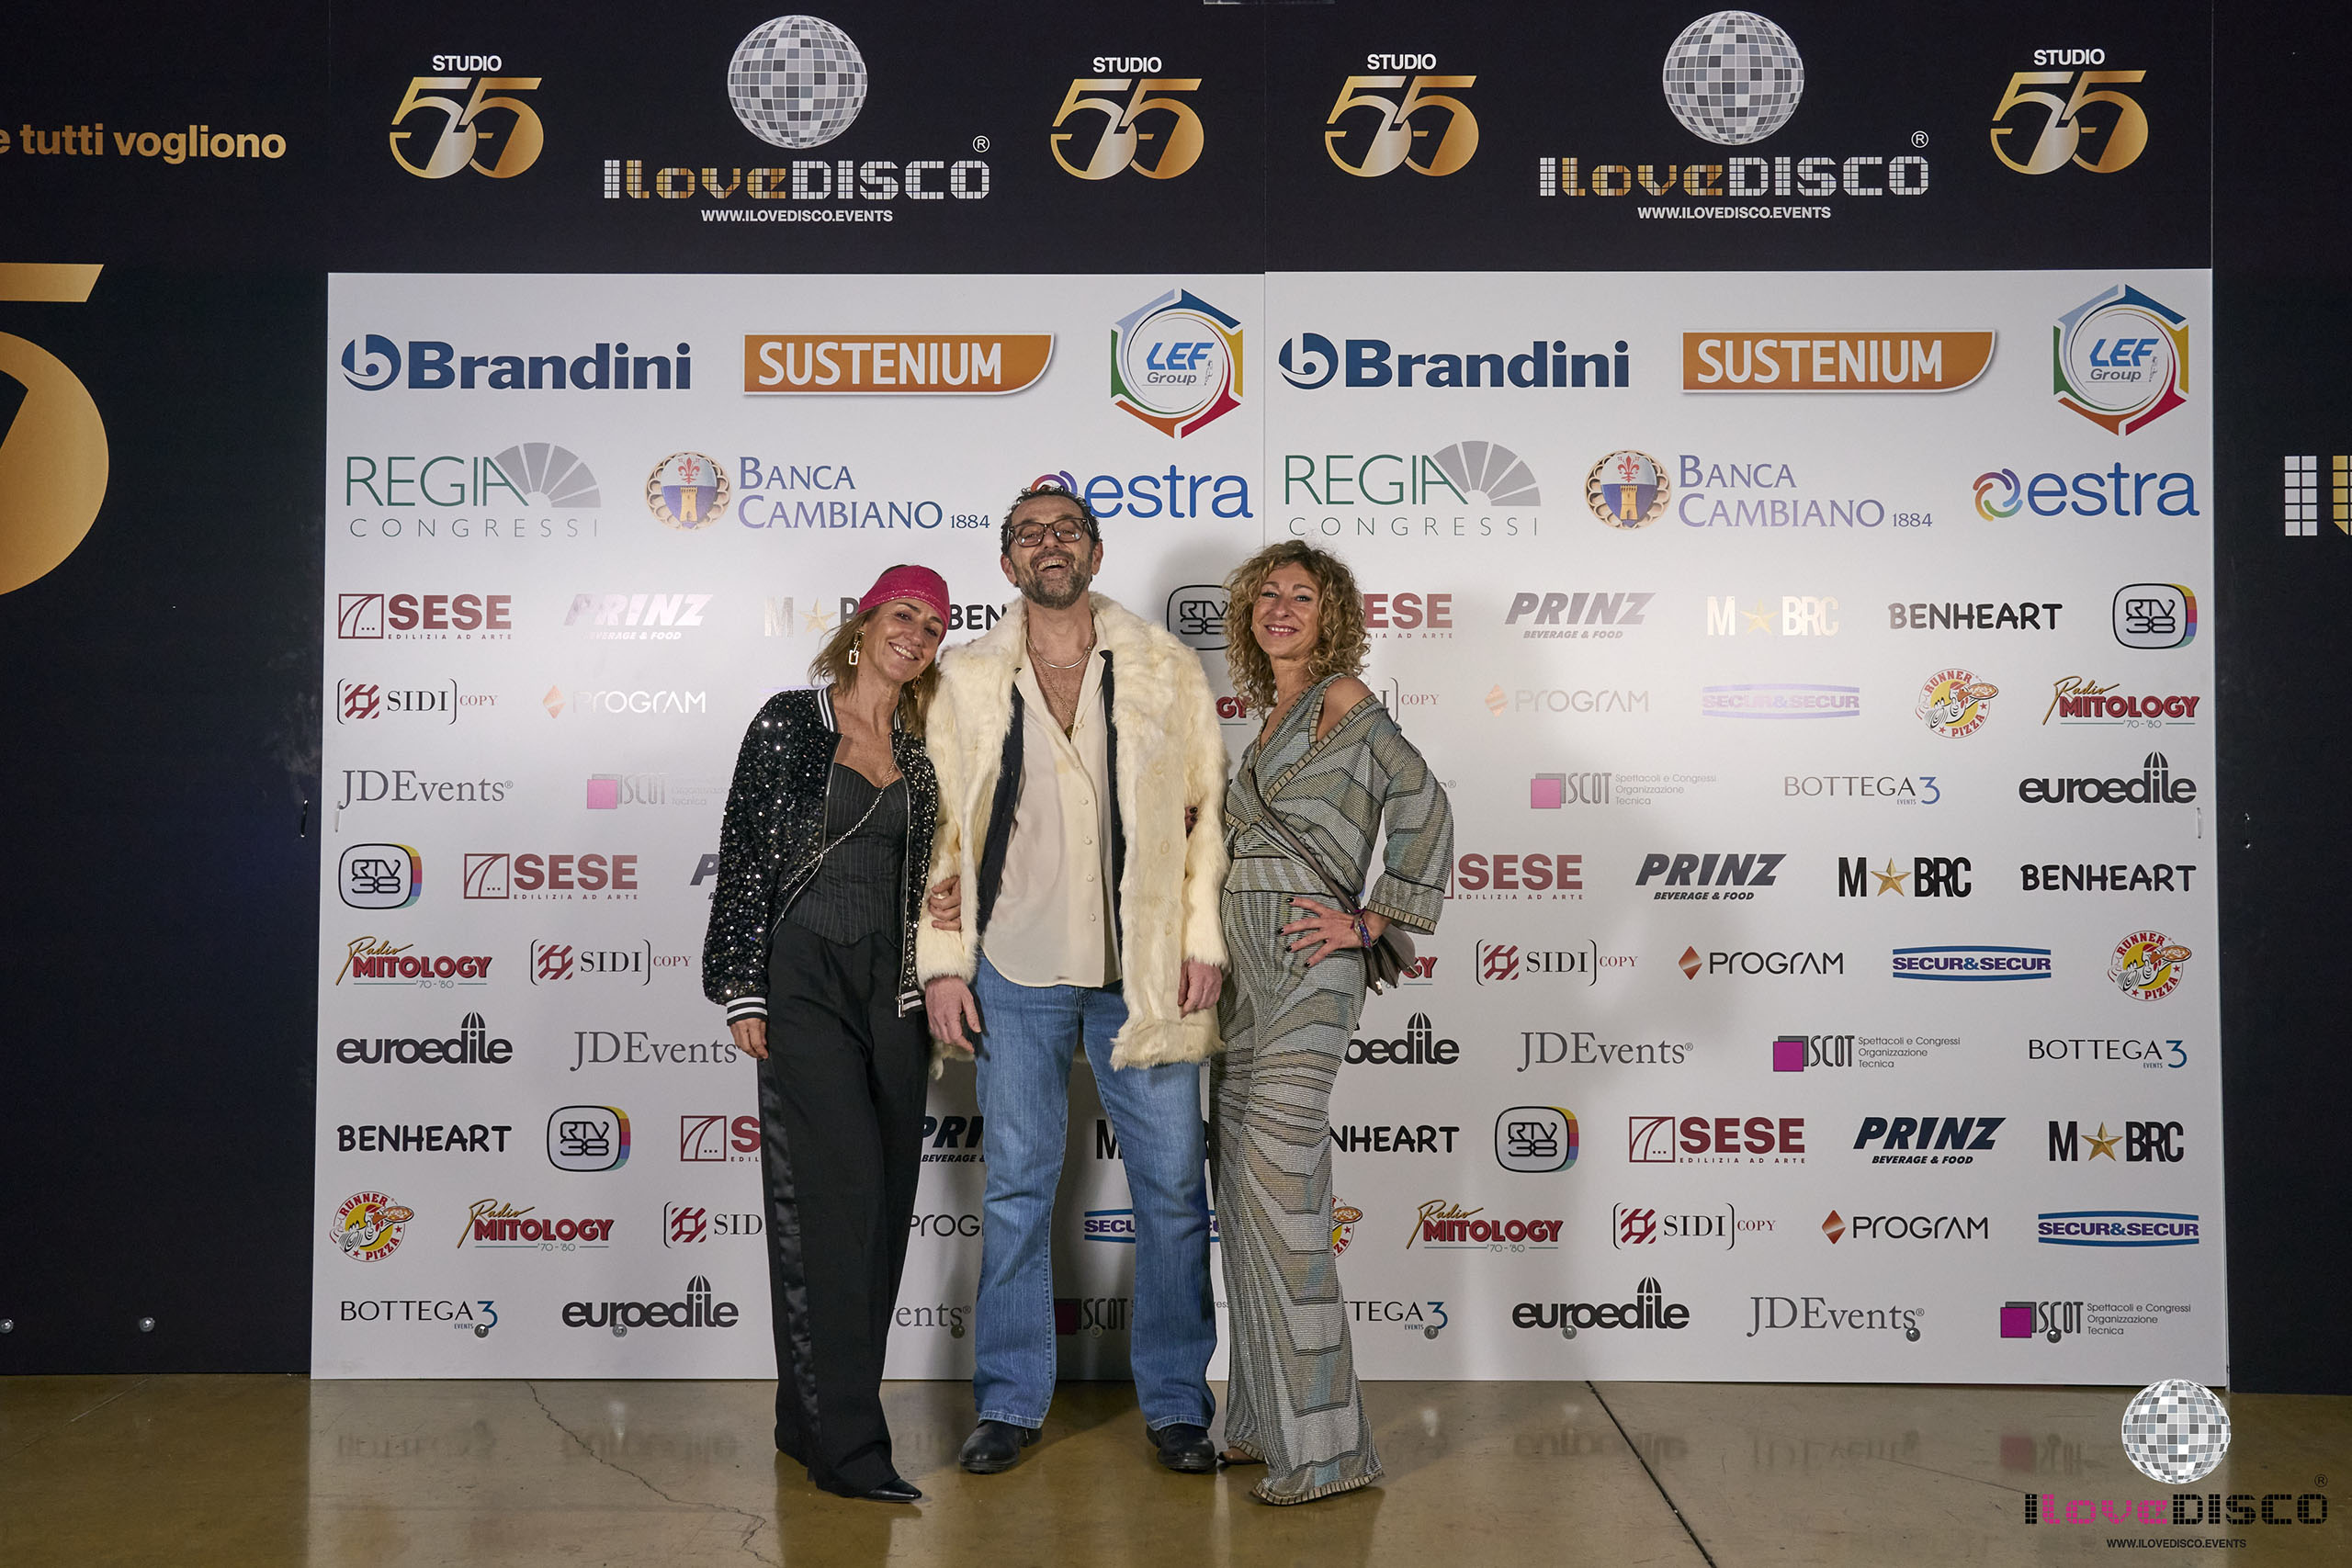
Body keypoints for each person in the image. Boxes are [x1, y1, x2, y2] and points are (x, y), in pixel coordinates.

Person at [916, 480, 1231, 1477]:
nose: (1048, 544)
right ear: (1007, 562)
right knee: (1015, 1187)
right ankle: (1009, 1402)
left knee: (1172, 1190)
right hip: (1012, 964)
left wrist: (1201, 941)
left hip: (1141, 971)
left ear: (1094, 551)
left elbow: (1205, 817)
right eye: (1028, 534)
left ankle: (1177, 1405)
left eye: (1066, 530)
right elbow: (942, 832)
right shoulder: (967, 676)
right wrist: (943, 964)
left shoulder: (1164, 665)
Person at [701, 564, 952, 1505]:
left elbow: (948, 860)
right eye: (903, 614)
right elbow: (744, 854)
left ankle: (803, 1415)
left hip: (896, 991)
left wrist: (950, 903)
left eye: (933, 626)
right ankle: (849, 1448)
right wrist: (742, 987)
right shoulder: (787, 722)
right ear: (863, 623)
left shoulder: (927, 747)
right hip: (803, 978)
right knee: (832, 1206)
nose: (916, 634)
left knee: (882, 1209)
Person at [1211, 540, 1453, 1505]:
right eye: (1266, 595)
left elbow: (1423, 801)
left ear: (1331, 614)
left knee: (1283, 1188)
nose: (1280, 608)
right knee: (1244, 1194)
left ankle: (1328, 1451)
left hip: (1311, 966)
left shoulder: (1342, 697)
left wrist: (1372, 921)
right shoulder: (1266, 718)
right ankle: (1260, 1420)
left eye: (1301, 597)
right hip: (1241, 975)